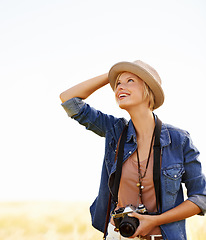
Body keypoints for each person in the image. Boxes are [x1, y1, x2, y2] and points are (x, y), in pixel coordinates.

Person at [60, 60, 206, 240]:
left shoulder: (179, 140)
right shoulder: (115, 131)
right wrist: (111, 75)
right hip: (118, 236)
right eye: (117, 83)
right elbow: (69, 100)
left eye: (130, 81)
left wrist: (154, 221)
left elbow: (200, 197)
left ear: (148, 90)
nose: (119, 87)